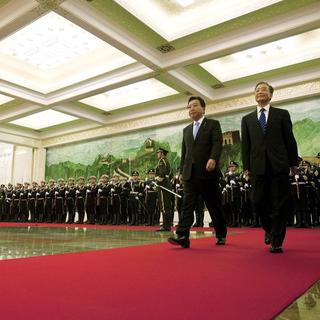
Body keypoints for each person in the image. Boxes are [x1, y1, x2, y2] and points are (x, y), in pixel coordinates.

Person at [241, 81, 298, 253]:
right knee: (257, 201)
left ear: (271, 95)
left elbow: (290, 140)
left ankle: (276, 239)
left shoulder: (282, 114)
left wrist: (293, 163)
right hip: (257, 167)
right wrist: (246, 167)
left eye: (264, 90)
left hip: (279, 165)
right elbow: (246, 146)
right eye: (257, 90)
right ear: (255, 95)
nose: (260, 92)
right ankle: (269, 229)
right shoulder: (247, 119)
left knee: (279, 203)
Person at [168, 96, 227, 248]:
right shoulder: (186, 129)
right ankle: (182, 235)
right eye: (189, 107)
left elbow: (217, 143)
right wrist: (181, 171)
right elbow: (185, 152)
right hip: (190, 174)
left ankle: (221, 234)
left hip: (207, 172)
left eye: (195, 105)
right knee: (187, 205)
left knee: (214, 205)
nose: (191, 109)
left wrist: (213, 158)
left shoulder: (213, 124)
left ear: (203, 108)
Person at [155, 147, 174, 231]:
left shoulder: (162, 161)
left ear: (162, 153)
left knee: (164, 206)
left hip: (163, 186)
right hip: (166, 185)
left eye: (158, 152)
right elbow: (169, 174)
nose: (157, 154)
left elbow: (162, 174)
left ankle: (166, 226)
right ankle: (167, 225)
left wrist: (157, 181)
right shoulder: (166, 161)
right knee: (166, 206)